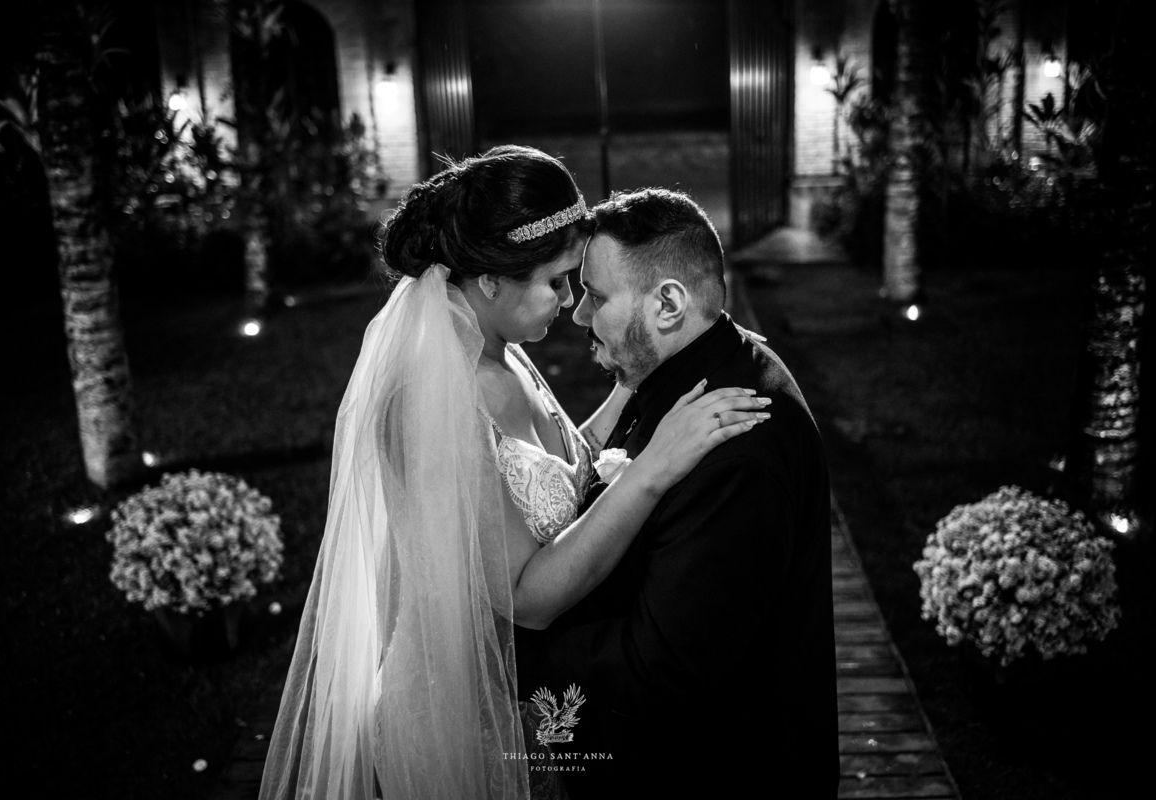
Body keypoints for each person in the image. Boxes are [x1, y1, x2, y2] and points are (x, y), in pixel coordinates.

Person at [257, 147, 771, 800]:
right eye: (557, 282)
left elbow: (557, 468)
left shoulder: (499, 351)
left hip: (535, 696)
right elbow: (525, 597)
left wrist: (644, 375)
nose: (571, 302)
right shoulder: (429, 400)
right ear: (492, 281)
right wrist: (652, 469)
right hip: (465, 715)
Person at [516, 188, 840, 798]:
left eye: (597, 297)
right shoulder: (695, 369)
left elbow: (659, 663)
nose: (579, 316)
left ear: (668, 304)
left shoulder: (737, 449)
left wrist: (514, 650)